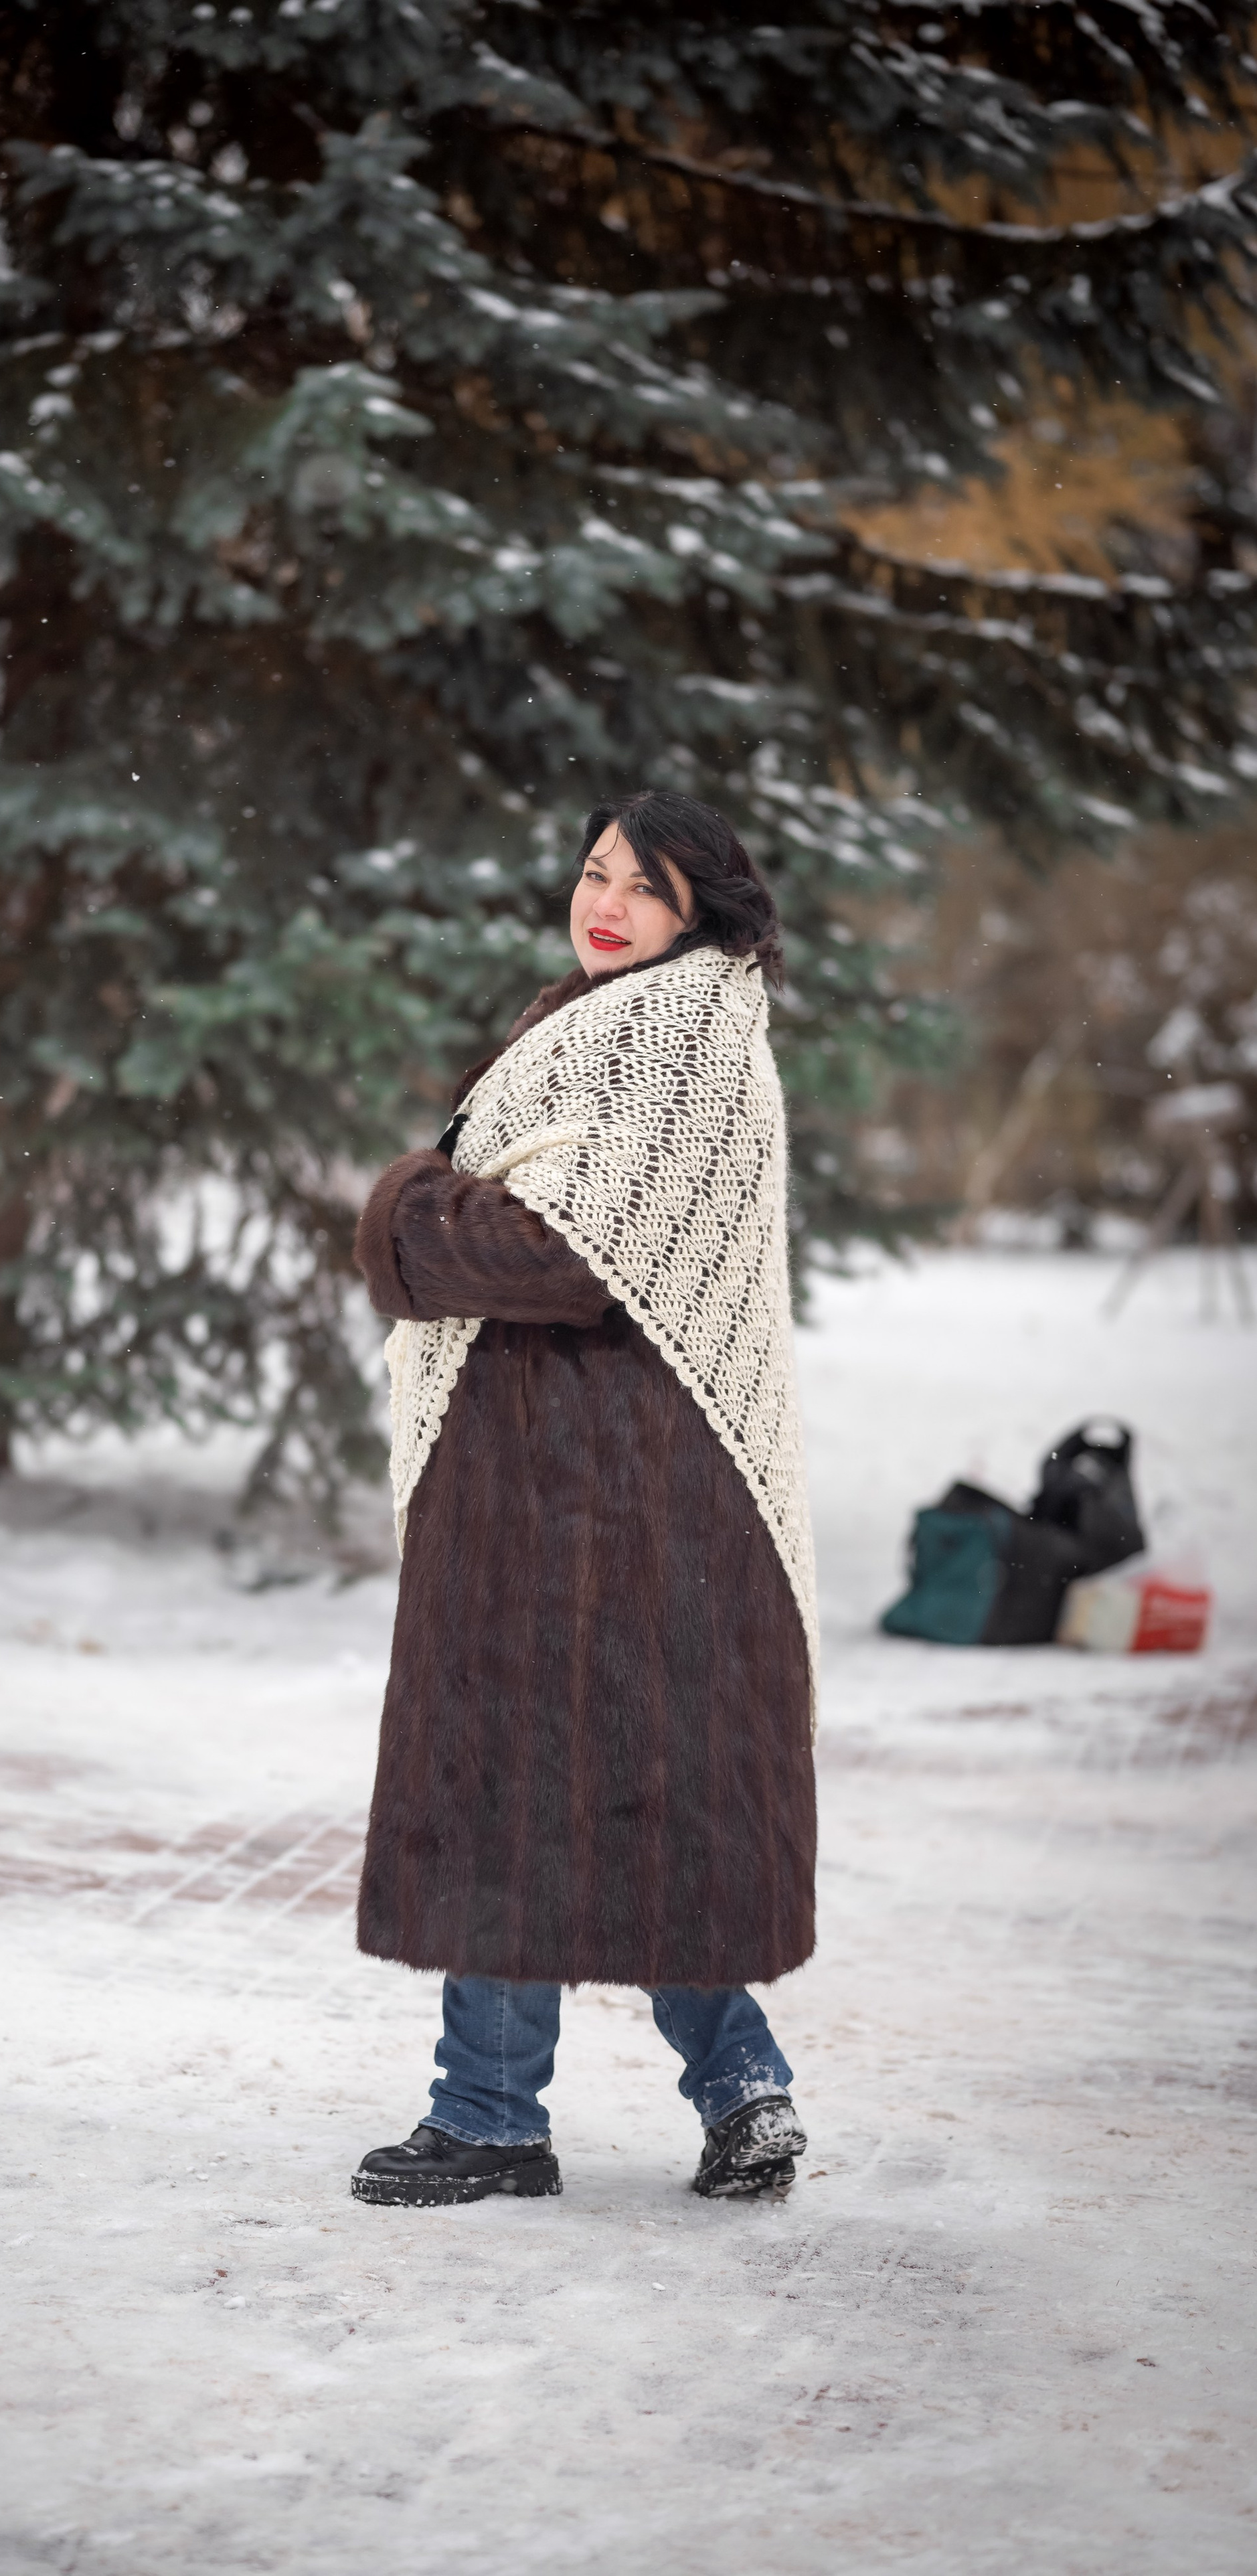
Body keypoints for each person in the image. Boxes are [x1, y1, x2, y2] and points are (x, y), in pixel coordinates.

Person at [349, 789, 818, 2208]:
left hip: (602, 1470)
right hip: (579, 1462)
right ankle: (734, 2091)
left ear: (699, 912)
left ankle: (494, 2117)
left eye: (642, 886)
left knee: (525, 1776)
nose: (602, 901)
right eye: (593, 871)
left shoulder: (674, 1030)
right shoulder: (625, 1017)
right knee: (624, 1784)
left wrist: (405, 1213)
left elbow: (562, 1250)